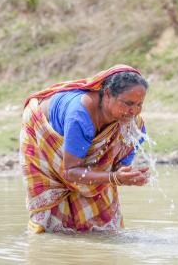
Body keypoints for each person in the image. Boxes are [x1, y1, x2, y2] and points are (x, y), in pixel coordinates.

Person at [19, 64, 150, 233]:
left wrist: (128, 174)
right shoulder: (79, 116)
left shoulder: (134, 126)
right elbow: (71, 172)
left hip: (77, 133)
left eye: (140, 104)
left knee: (104, 227)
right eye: (128, 103)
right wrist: (114, 177)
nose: (134, 111)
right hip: (43, 130)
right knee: (47, 214)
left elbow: (116, 169)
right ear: (108, 94)